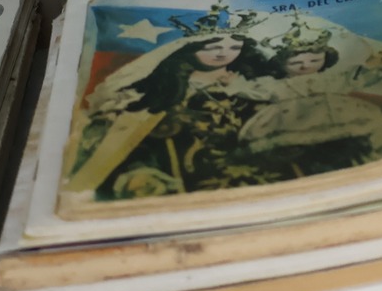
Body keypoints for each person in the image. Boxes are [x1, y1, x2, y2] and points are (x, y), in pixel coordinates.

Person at [67, 31, 280, 200]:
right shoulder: (163, 86)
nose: (223, 54)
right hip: (173, 167)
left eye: (234, 47)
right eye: (213, 47)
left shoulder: (251, 84)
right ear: (189, 48)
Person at [237, 31, 382, 178]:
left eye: (314, 61)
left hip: (340, 110)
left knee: (357, 143)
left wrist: (375, 64)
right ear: (282, 64)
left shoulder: (335, 78)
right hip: (296, 115)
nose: (304, 66)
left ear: (326, 59)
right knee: (303, 150)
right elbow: (260, 90)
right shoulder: (283, 84)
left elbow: (359, 76)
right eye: (295, 62)